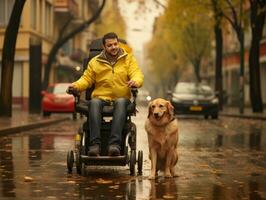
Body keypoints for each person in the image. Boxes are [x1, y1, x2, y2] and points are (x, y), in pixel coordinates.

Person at [68, 32, 144, 156]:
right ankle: (94, 146)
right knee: (94, 102)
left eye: (115, 44)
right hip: (100, 97)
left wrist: (136, 81)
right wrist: (75, 85)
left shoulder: (128, 59)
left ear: (118, 44)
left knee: (120, 102)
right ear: (104, 47)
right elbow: (86, 79)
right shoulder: (95, 62)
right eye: (110, 45)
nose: (113, 47)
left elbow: (136, 73)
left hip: (121, 98)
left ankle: (114, 145)